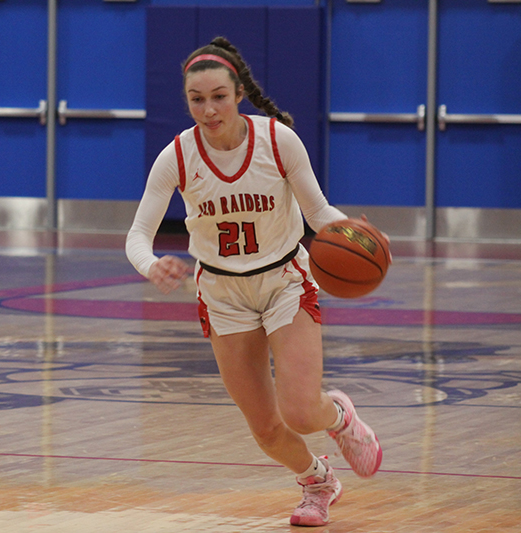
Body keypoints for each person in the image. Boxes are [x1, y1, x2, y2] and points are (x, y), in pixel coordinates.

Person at [126, 37, 383, 527]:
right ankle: (317, 481)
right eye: (196, 99)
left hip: (285, 280)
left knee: (302, 412)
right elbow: (138, 234)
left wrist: (355, 233)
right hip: (222, 294)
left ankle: (341, 419)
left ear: (238, 93)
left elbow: (318, 211)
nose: (208, 108)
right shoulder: (177, 156)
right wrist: (150, 263)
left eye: (218, 96)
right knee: (266, 429)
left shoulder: (278, 141)